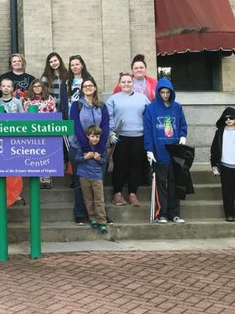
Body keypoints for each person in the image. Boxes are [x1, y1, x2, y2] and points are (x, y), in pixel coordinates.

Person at [144, 78, 188, 224]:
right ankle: (161, 213)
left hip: (175, 152)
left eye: (167, 92)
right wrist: (149, 149)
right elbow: (148, 131)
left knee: (175, 183)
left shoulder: (177, 107)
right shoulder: (151, 108)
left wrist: (182, 135)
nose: (165, 95)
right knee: (161, 184)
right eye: (162, 92)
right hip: (159, 152)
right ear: (158, 92)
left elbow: (182, 124)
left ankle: (174, 213)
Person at [68, 78, 110, 225]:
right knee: (80, 183)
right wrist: (86, 149)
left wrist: (99, 149)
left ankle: (101, 215)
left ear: (95, 87)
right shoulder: (76, 105)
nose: (88, 88)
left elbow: (105, 127)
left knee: (98, 184)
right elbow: (76, 126)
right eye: (85, 86)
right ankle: (81, 213)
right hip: (79, 149)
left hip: (99, 150)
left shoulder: (102, 106)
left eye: (90, 85)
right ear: (81, 89)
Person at [106, 72, 150, 207]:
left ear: (133, 83)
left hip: (138, 136)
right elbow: (108, 117)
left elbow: (149, 116)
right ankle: (117, 193)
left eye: (129, 81)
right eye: (123, 82)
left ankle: (132, 193)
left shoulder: (143, 98)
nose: (126, 84)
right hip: (120, 137)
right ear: (119, 84)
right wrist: (111, 132)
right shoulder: (113, 99)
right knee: (120, 165)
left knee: (135, 166)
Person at [76, 125, 108, 234]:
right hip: (84, 175)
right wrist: (85, 157)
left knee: (99, 199)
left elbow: (104, 161)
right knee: (88, 198)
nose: (95, 139)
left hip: (96, 176)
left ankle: (102, 221)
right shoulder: (82, 146)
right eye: (92, 136)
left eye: (97, 137)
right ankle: (92, 218)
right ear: (87, 136)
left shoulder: (101, 148)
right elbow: (77, 159)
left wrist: (99, 159)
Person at [40, 52, 69, 118]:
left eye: (55, 60)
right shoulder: (45, 77)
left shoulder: (67, 75)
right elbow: (43, 94)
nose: (53, 63)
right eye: (51, 62)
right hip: (52, 109)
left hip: (65, 108)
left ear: (59, 60)